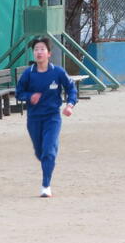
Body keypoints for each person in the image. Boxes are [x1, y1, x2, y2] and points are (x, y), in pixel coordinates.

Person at [15, 37, 78, 198]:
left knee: (48, 152)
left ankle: (46, 186)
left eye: (42, 49)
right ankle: (47, 156)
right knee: (40, 153)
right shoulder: (28, 73)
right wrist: (29, 96)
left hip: (52, 117)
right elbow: (18, 93)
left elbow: (71, 89)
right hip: (34, 118)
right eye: (36, 49)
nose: (39, 52)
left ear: (49, 53)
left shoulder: (58, 72)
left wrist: (70, 105)